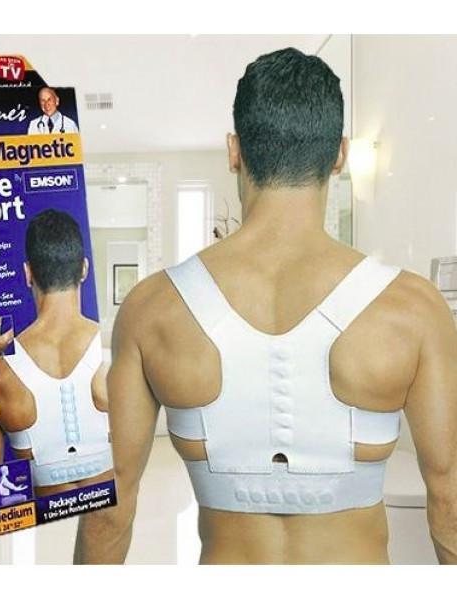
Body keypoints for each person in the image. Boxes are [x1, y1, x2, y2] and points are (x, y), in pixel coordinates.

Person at [74, 48, 457, 564]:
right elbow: (450, 502)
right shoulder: (413, 309)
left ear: (234, 151)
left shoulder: (152, 309)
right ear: (340, 155)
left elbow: (108, 509)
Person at [0, 210, 112, 498]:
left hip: (47, 519)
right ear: (84, 268)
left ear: (28, 273)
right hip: (108, 513)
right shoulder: (116, 351)